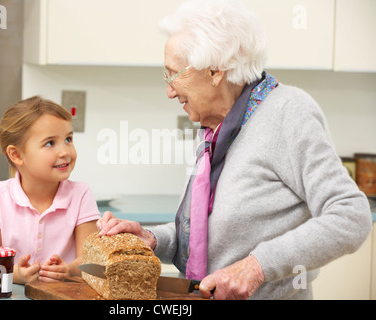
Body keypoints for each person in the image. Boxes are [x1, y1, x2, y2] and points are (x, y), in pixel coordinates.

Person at [97, 0, 372, 299]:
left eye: (174, 74)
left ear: (216, 71)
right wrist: (151, 239)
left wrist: (256, 267)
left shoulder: (289, 113)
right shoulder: (216, 126)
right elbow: (206, 236)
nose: (170, 90)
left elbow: (351, 215)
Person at [0, 96, 100, 284]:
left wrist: (69, 270)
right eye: (50, 143)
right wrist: (16, 275)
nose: (65, 151)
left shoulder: (81, 194)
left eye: (68, 139)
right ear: (16, 155)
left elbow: (91, 261)